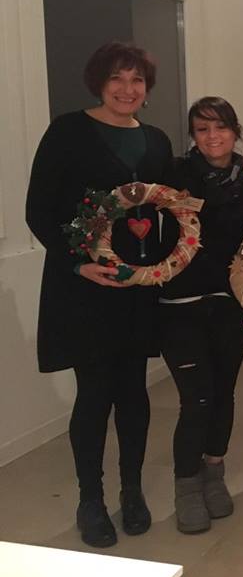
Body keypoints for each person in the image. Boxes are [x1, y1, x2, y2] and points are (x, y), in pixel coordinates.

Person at [25, 41, 174, 547]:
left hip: (136, 288)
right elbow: (39, 211)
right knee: (94, 395)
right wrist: (77, 264)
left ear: (147, 88)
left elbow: (168, 213)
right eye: (117, 79)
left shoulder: (155, 141)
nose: (127, 89)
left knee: (134, 392)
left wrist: (170, 262)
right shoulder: (67, 131)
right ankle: (91, 498)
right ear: (99, 82)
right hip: (84, 288)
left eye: (137, 80)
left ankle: (132, 491)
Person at [159, 97, 243, 533]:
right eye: (203, 129)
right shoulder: (176, 174)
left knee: (224, 390)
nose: (213, 137)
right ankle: (186, 485)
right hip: (181, 303)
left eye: (221, 127)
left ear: (235, 130)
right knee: (197, 397)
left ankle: (214, 474)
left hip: (232, 301)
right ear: (193, 135)